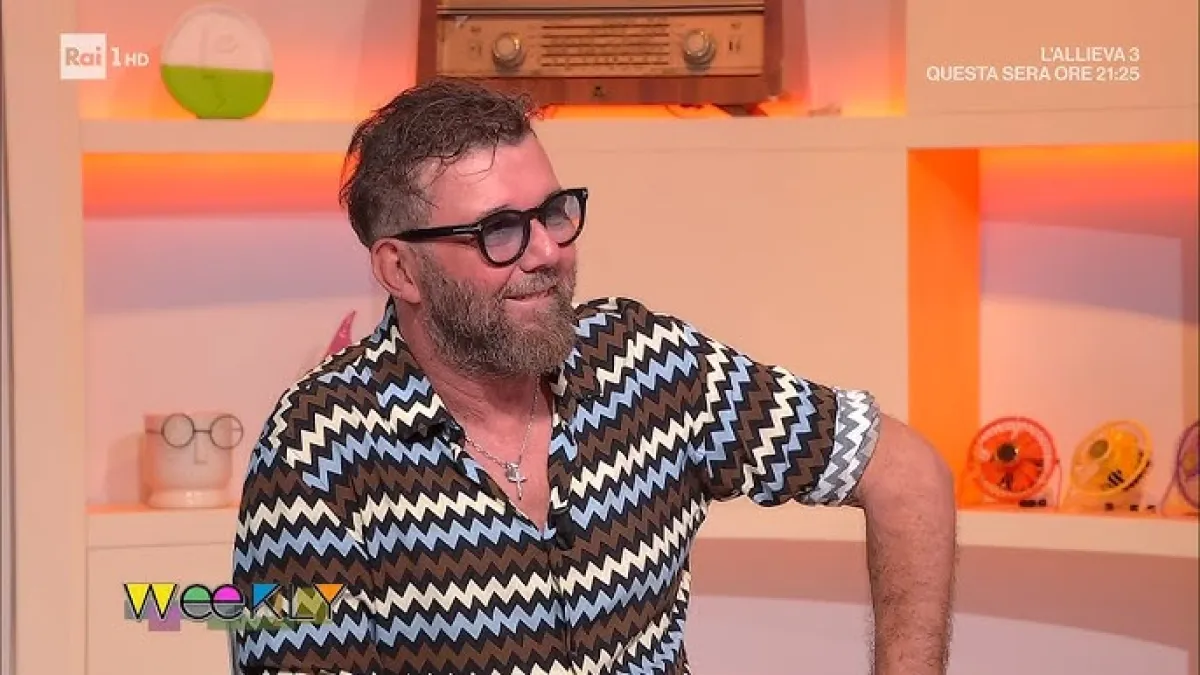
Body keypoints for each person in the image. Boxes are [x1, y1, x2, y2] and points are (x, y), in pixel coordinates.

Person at [231, 78, 957, 675]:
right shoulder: (313, 448)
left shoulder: (649, 365)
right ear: (400, 269)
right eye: (498, 230)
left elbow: (905, 472)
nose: (547, 250)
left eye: (554, 212)